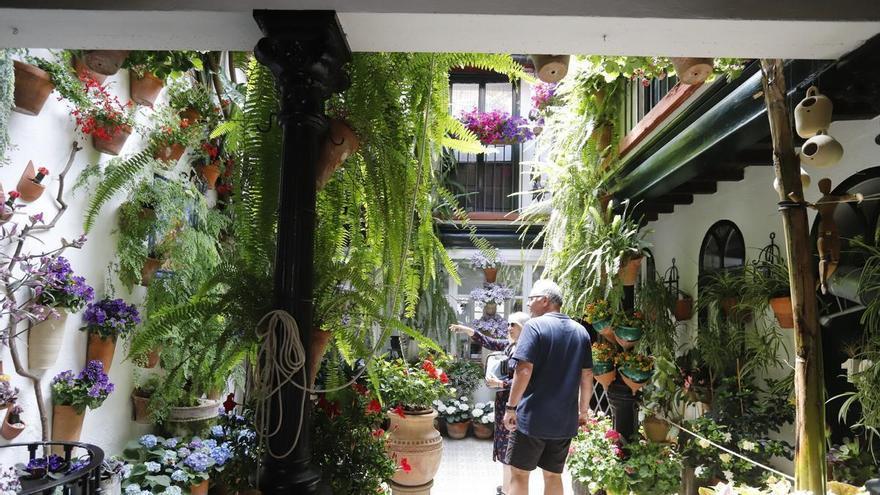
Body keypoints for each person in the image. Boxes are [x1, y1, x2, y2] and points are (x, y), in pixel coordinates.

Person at [502, 280, 593, 495]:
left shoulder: (534, 326)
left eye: (531, 299)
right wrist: (583, 411)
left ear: (545, 301)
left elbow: (523, 370)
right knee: (553, 475)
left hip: (532, 418)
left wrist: (510, 408)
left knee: (519, 474)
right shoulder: (581, 332)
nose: (528, 305)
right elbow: (587, 375)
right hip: (564, 420)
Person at [450, 311, 530, 495]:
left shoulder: (525, 351)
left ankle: (510, 490)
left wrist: (501, 383)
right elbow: (487, 341)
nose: (509, 328)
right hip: (504, 405)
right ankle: (505, 488)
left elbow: (527, 381)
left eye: (514, 325)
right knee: (504, 449)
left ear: (524, 328)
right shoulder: (510, 346)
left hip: (515, 407)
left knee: (511, 450)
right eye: (508, 324)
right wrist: (466, 329)